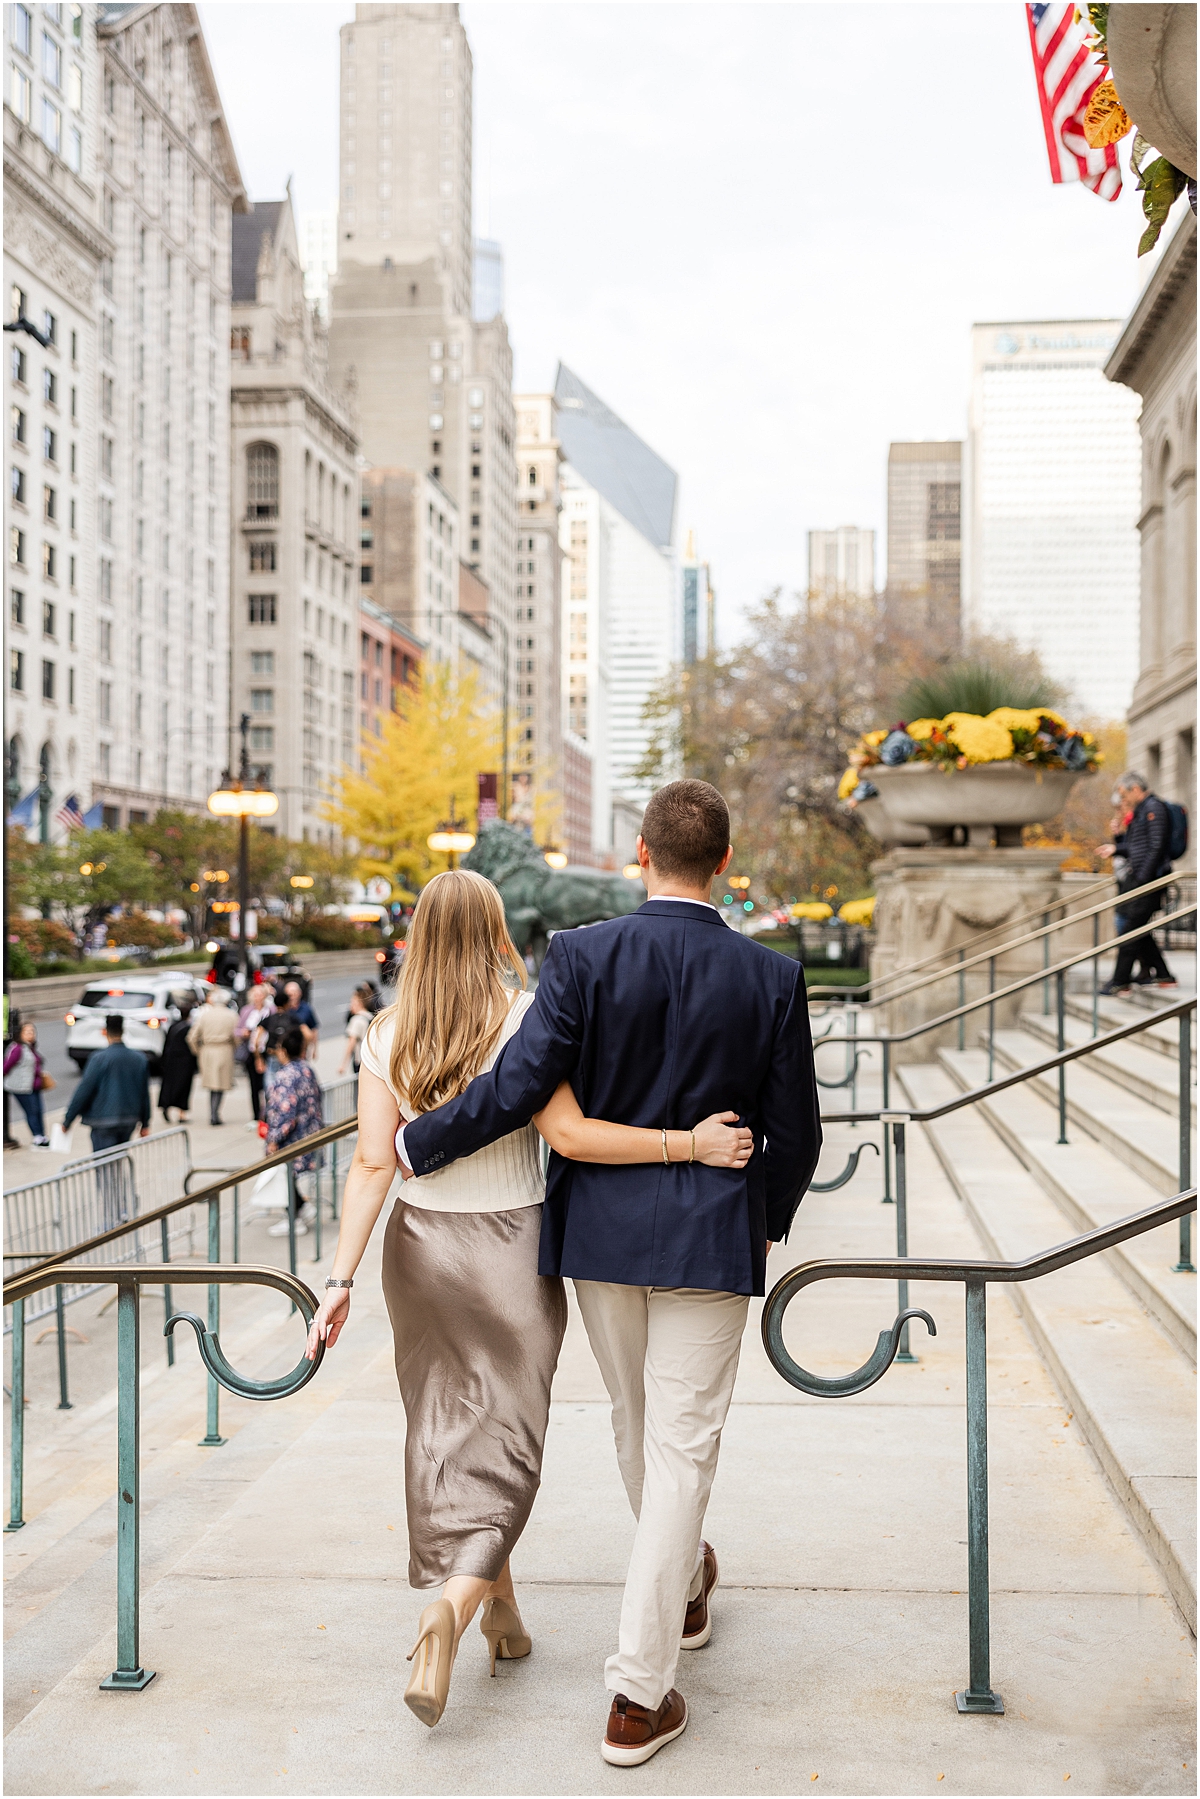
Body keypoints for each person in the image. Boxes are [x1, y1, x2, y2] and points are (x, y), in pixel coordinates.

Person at [387, 781, 821, 1766]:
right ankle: (637, 1689)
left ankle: (679, 1603)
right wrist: (767, 1220)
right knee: (678, 1450)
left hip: (601, 1241)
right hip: (711, 1238)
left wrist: (421, 1140)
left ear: (639, 853)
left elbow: (520, 1083)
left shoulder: (581, 955)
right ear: (722, 862)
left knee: (641, 1429)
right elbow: (794, 1132)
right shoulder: (771, 975)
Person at [303, 866, 755, 1735]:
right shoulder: (521, 1017)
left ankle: (503, 1620)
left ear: (419, 938)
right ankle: (455, 1606)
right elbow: (570, 1134)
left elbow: (371, 1163)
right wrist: (688, 1143)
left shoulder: (384, 1029)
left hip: (416, 1252)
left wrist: (341, 1277)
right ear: (496, 932)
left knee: (444, 1426)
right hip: (511, 1250)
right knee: (505, 1442)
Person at [62, 1016, 152, 1225]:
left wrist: (68, 1120)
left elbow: (84, 1090)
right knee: (119, 1163)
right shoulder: (138, 1058)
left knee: (104, 1168)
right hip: (128, 1120)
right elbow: (144, 1093)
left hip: (103, 1121)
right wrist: (145, 1122)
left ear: (105, 1031)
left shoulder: (99, 1058)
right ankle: (122, 1208)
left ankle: (111, 1213)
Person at [1098, 770, 1176, 994]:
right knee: (1137, 928)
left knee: (1131, 928)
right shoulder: (1141, 811)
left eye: (1124, 794)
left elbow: (1156, 846)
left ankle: (1120, 980)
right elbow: (1136, 847)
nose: (1123, 800)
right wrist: (1117, 844)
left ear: (1135, 789)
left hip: (1149, 880)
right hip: (1140, 878)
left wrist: (1143, 878)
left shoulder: (1154, 808)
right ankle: (1163, 974)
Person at [264, 1023, 324, 1237]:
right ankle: (302, 1209)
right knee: (289, 1178)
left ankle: (294, 1217)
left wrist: (273, 1138)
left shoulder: (286, 1076)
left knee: (285, 1177)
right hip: (310, 1133)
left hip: (292, 1139)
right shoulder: (307, 1070)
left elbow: (284, 1112)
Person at [187, 988, 238, 1126]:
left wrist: (198, 1051)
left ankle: (213, 1112)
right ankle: (215, 1113)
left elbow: (191, 1037)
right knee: (220, 1084)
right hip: (224, 1049)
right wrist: (234, 1047)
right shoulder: (231, 1015)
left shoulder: (205, 1015)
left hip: (207, 1050)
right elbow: (237, 1036)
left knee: (213, 1084)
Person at [3, 1021, 50, 1147]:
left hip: (33, 1086)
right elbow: (5, 1067)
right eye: (27, 1032)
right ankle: (37, 1136)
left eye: (32, 1031)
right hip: (22, 1087)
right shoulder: (17, 1049)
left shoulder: (30, 1047)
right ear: (21, 1034)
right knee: (32, 1111)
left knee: (39, 1110)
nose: (31, 1034)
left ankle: (41, 1135)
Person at [157, 995, 199, 1124]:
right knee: (184, 1087)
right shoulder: (188, 1028)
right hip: (185, 1061)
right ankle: (182, 1114)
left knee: (170, 1085)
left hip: (171, 1060)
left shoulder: (173, 1026)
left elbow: (166, 1043)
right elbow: (192, 1043)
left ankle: (166, 1106)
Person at [237, 982, 273, 1122]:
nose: (258, 998)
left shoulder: (270, 1010)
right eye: (255, 995)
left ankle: (268, 1113)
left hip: (266, 1051)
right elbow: (237, 1029)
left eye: (260, 995)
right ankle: (256, 1115)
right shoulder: (247, 1011)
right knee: (254, 1085)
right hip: (251, 1051)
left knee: (268, 1084)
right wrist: (243, 1033)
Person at [337, 989, 371, 1077]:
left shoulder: (356, 1020)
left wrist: (343, 1065)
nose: (350, 1006)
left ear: (359, 1004)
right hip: (371, 1060)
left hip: (360, 1061)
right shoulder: (371, 1017)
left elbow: (351, 1043)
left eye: (352, 1002)